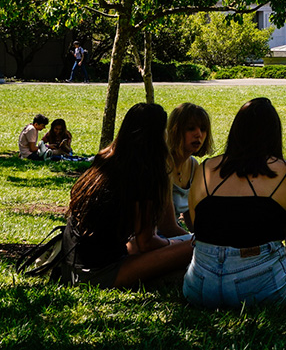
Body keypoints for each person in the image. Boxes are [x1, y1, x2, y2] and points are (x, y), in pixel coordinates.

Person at [183, 98, 286, 308]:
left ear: (236, 131)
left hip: (199, 288)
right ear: (274, 134)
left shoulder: (205, 169)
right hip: (264, 288)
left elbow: (198, 227)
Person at [63, 103, 193, 288]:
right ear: (158, 136)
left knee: (186, 242)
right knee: (197, 246)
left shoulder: (106, 159)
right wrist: (172, 243)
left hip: (72, 265)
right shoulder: (144, 173)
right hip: (100, 273)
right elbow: (146, 242)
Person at [162, 102, 214, 234]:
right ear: (175, 131)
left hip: (172, 238)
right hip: (154, 240)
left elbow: (191, 217)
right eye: (191, 128)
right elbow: (167, 227)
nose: (199, 135)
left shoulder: (193, 165)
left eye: (203, 129)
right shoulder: (163, 166)